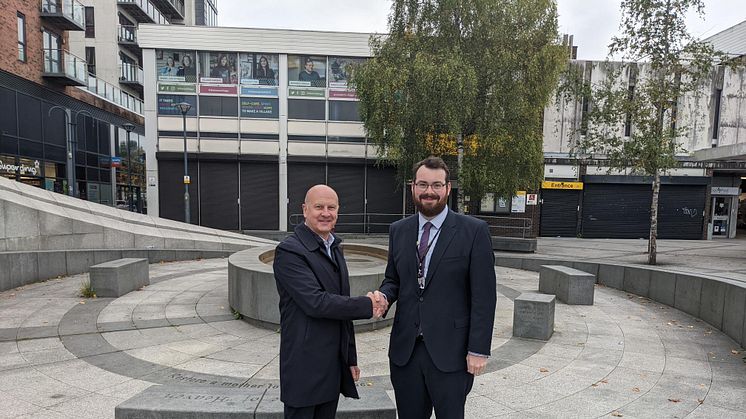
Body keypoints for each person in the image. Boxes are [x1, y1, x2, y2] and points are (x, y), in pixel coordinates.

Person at [373, 156, 497, 418]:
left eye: (437, 185)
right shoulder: (399, 230)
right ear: (413, 187)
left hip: (451, 354)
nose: (429, 192)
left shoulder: (474, 231)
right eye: (423, 184)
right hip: (405, 353)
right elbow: (393, 279)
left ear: (447, 189)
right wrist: (384, 296)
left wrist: (478, 349)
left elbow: (484, 296)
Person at [273, 184, 386, 419]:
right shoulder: (289, 252)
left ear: (338, 211)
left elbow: (341, 307)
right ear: (305, 210)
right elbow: (316, 302)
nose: (326, 213)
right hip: (304, 367)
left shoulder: (335, 248)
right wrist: (368, 305)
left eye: (331, 207)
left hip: (332, 367)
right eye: (319, 207)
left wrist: (350, 359)